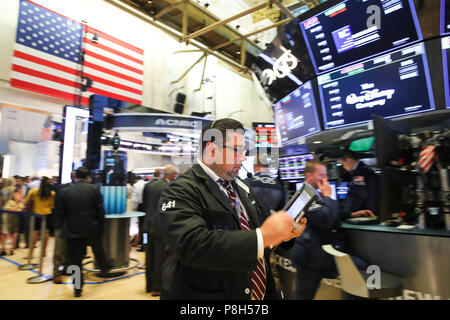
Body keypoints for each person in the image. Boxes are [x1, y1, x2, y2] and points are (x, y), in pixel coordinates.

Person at [157, 118, 307, 300]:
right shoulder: (180, 190)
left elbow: (257, 235)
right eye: (237, 150)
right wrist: (263, 236)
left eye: (244, 151)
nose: (243, 158)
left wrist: (282, 235)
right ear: (212, 150)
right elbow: (192, 245)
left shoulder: (242, 187)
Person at [291, 160, 368, 300]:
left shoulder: (314, 193)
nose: (325, 179)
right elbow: (325, 219)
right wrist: (327, 196)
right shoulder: (303, 196)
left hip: (321, 254)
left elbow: (329, 214)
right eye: (321, 175)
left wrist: (350, 214)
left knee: (360, 271)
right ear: (309, 176)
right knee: (303, 296)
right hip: (312, 258)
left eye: (326, 175)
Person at [59, 167, 112, 297]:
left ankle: (77, 288)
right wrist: (102, 227)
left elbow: (61, 213)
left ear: (76, 176)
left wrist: (62, 228)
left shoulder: (66, 191)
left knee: (75, 260)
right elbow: (100, 211)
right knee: (98, 250)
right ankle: (104, 269)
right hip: (91, 228)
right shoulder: (94, 189)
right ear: (88, 176)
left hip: (72, 230)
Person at [143, 165, 178, 296]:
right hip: (159, 227)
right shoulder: (169, 188)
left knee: (149, 256)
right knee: (159, 257)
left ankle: (148, 285)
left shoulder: (150, 185)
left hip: (148, 225)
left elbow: (146, 204)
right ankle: (156, 287)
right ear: (172, 175)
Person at [245, 153, 285, 224]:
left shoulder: (246, 183)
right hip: (273, 228)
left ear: (254, 166)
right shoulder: (278, 185)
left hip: (252, 231)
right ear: (268, 166)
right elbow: (282, 212)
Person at [338, 149, 378, 218]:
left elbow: (360, 195)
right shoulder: (364, 170)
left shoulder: (359, 173)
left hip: (363, 213)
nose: (343, 167)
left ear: (349, 160)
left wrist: (348, 213)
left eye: (343, 164)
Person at [24, 176, 55, 259]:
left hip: (36, 214)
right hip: (47, 214)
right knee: (46, 233)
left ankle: (30, 254)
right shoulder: (52, 193)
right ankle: (44, 252)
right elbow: (52, 205)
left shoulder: (34, 191)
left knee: (34, 233)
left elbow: (26, 201)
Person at [1, 178, 17, 255]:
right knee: (14, 231)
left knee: (3, 231)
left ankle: (3, 248)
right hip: (13, 211)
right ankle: (11, 249)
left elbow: (0, 202)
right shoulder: (15, 189)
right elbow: (18, 199)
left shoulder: (2, 190)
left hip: (3, 211)